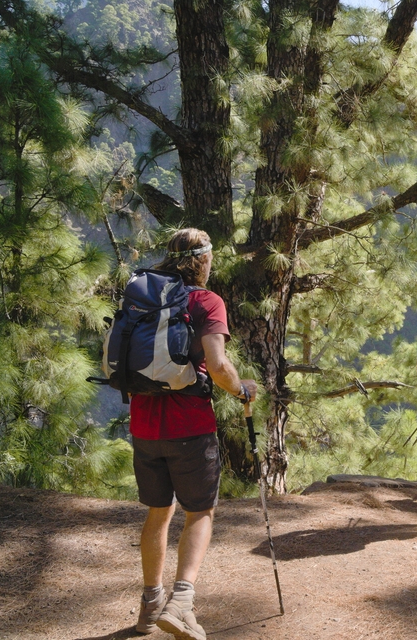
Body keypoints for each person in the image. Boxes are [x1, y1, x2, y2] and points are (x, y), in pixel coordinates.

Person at [131, 229, 258, 640]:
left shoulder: (141, 297)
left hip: (145, 424)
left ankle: (150, 606)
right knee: (199, 512)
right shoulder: (206, 301)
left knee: (157, 514)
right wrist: (242, 391)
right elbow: (218, 366)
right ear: (203, 259)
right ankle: (182, 604)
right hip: (189, 426)